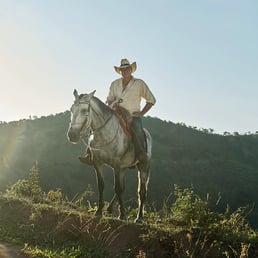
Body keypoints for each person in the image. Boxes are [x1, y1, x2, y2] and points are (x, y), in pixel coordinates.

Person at [79, 58, 156, 164]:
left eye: (127, 69)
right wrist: (112, 103)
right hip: (114, 113)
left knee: (137, 129)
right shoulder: (114, 84)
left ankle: (141, 154)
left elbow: (151, 100)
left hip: (132, 115)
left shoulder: (139, 83)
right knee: (96, 123)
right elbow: (109, 98)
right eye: (122, 69)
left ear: (131, 70)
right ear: (120, 71)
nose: (125, 71)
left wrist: (142, 113)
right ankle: (90, 153)